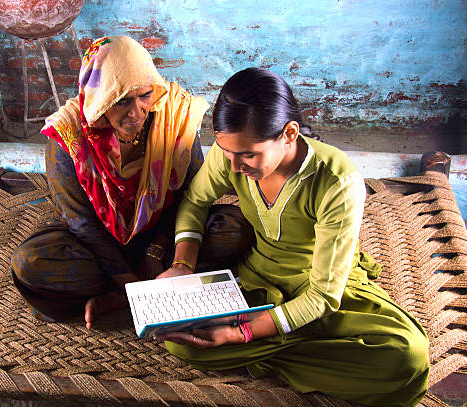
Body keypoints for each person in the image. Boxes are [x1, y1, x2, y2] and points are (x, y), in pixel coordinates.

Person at [156, 68, 429, 407]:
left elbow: (323, 296)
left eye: (248, 155)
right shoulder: (231, 152)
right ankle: (301, 346)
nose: (235, 165)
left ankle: (264, 347)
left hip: (324, 281)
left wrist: (243, 333)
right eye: (227, 152)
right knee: (181, 343)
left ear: (289, 133)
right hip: (259, 276)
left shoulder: (337, 181)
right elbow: (196, 201)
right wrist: (183, 264)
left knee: (408, 358)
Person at [11, 36, 254, 329]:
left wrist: (158, 249)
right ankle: (137, 293)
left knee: (238, 227)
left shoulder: (174, 117)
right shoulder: (69, 135)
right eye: (122, 100)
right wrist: (127, 281)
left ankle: (125, 294)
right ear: (99, 99)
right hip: (97, 248)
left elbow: (192, 197)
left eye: (144, 96)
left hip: (163, 238)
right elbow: (81, 223)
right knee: (31, 262)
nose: (137, 111)